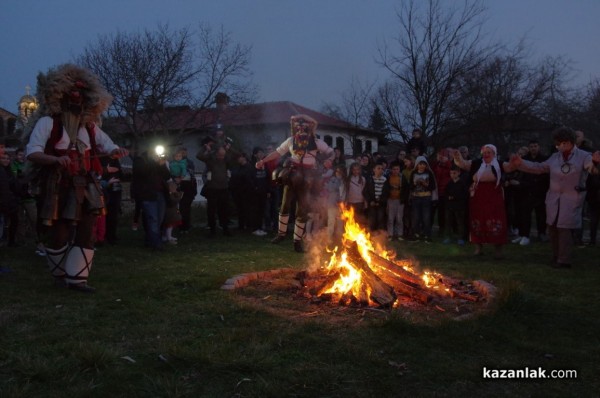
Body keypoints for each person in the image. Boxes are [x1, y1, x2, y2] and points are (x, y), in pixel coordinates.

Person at [25, 64, 128, 292]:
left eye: (81, 99)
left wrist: (115, 151)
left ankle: (78, 279)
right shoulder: (48, 123)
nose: (77, 103)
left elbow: (109, 145)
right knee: (60, 230)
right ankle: (59, 276)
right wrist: (54, 160)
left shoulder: (90, 127)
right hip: (59, 183)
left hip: (87, 183)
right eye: (73, 97)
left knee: (87, 229)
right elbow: (32, 152)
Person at [509, 127, 600, 267]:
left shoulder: (584, 156)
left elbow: (592, 169)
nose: (557, 146)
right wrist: (520, 164)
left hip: (571, 198)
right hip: (554, 198)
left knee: (564, 229)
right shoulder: (554, 157)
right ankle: (555, 255)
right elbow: (538, 167)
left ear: (569, 142)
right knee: (552, 228)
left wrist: (596, 162)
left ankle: (564, 260)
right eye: (556, 144)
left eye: (560, 143)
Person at [255, 114, 334, 252]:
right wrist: (263, 161)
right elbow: (277, 153)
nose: (301, 130)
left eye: (304, 127)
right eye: (298, 127)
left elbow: (331, 152)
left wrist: (330, 160)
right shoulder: (291, 141)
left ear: (309, 129)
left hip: (308, 177)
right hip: (292, 175)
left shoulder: (316, 142)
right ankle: (281, 234)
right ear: (295, 129)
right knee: (285, 204)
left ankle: (297, 241)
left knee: (302, 210)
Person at [454, 144, 509, 258]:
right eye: (484, 152)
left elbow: (510, 167)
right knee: (477, 218)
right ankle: (478, 248)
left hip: (494, 194)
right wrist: (458, 157)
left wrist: (515, 162)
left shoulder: (499, 164)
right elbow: (462, 164)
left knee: (497, 219)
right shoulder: (475, 163)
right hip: (478, 195)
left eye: (489, 152)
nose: (486, 154)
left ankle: (498, 249)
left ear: (494, 154)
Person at [131, 146, 171, 251]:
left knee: (159, 218)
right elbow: (142, 173)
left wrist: (162, 165)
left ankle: (150, 239)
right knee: (153, 218)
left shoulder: (158, 161)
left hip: (161, 193)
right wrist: (155, 162)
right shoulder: (140, 160)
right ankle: (156, 244)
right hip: (147, 194)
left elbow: (167, 176)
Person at [196, 137, 236, 238]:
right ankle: (212, 230)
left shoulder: (226, 159)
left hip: (223, 188)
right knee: (211, 210)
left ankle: (225, 228)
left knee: (224, 209)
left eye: (223, 155)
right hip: (212, 188)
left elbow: (237, 155)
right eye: (220, 155)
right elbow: (199, 156)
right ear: (217, 153)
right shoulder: (210, 159)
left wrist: (228, 148)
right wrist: (206, 148)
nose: (222, 156)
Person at [512, 140, 549, 245]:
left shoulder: (544, 159)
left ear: (539, 147)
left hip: (540, 191)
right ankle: (525, 235)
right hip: (526, 191)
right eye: (531, 146)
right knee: (525, 214)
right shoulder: (524, 159)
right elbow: (520, 175)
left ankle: (541, 233)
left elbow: (546, 175)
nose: (533, 148)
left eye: (535, 146)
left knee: (541, 214)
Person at [408, 156, 436, 242]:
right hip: (416, 197)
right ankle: (416, 234)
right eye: (420, 164)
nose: (421, 166)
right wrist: (415, 184)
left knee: (426, 217)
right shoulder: (413, 173)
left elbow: (433, 186)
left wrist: (425, 184)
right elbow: (410, 186)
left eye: (423, 164)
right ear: (417, 164)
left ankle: (427, 235)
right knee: (416, 217)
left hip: (426, 197)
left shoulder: (429, 173)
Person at [443, 166, 469, 245]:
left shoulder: (462, 183)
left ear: (458, 173)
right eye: (451, 173)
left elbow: (464, 194)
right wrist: (448, 197)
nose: (452, 175)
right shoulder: (449, 183)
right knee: (448, 222)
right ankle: (448, 237)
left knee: (460, 222)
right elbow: (446, 193)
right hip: (450, 206)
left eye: (454, 173)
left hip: (459, 206)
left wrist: (455, 197)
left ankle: (460, 238)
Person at [385, 161, 409, 241]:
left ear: (399, 170)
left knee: (399, 218)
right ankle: (390, 234)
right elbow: (386, 188)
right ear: (391, 170)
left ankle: (399, 234)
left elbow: (406, 188)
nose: (395, 171)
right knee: (390, 218)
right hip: (391, 199)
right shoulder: (388, 177)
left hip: (399, 200)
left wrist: (403, 198)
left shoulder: (402, 178)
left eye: (397, 169)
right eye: (394, 169)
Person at [363, 159, 389, 234]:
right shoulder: (370, 180)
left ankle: (380, 236)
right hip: (372, 203)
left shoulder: (385, 180)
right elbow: (366, 192)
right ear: (374, 169)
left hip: (381, 204)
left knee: (380, 219)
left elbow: (386, 193)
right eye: (378, 168)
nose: (380, 170)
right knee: (372, 220)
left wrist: (380, 201)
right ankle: (371, 235)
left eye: (382, 169)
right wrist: (370, 201)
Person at [325, 164, 346, 241]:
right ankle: (329, 238)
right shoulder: (332, 179)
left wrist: (343, 201)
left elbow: (345, 192)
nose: (339, 173)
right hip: (332, 203)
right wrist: (338, 181)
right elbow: (330, 188)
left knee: (340, 222)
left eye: (340, 172)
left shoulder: (345, 181)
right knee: (331, 221)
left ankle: (339, 238)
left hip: (341, 205)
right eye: (337, 171)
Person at [345, 162, 367, 226]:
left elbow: (364, 191)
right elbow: (346, 191)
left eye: (357, 169)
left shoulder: (363, 179)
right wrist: (345, 201)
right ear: (351, 170)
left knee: (359, 219)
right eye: (354, 170)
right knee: (351, 219)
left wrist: (365, 201)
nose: (356, 171)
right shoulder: (348, 179)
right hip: (350, 201)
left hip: (360, 201)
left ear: (359, 170)